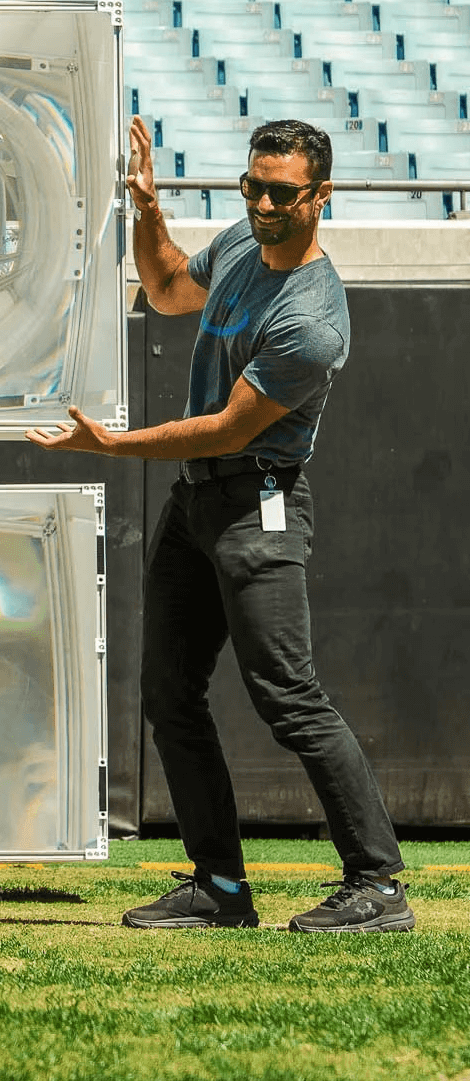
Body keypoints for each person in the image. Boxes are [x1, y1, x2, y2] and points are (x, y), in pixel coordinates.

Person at [29, 116, 411, 934]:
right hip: (195, 504)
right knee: (169, 694)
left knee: (288, 698)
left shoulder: (311, 320)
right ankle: (220, 888)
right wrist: (147, 210)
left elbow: (228, 430)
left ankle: (377, 885)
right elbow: (167, 288)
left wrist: (111, 445)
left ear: (320, 195)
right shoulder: (241, 242)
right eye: (252, 187)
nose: (263, 205)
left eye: (282, 193)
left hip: (257, 504)